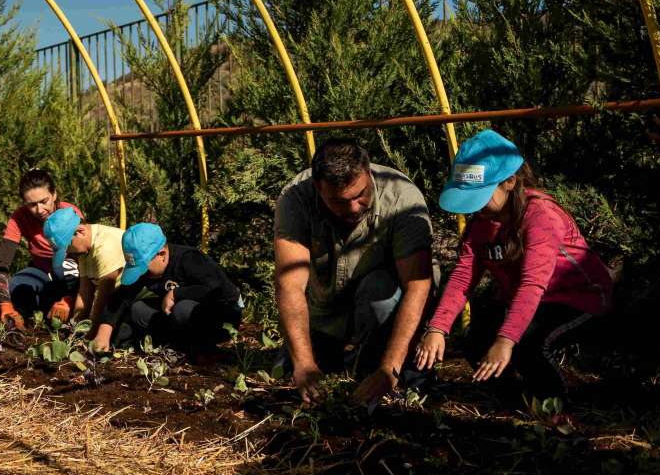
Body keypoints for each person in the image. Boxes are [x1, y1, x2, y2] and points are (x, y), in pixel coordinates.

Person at [414, 130, 613, 397]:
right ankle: (513, 401)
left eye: (482, 195)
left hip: (576, 298)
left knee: (530, 345)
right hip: (524, 299)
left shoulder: (541, 216)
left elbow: (532, 284)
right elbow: (463, 277)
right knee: (476, 341)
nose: (476, 207)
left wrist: (506, 340)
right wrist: (437, 327)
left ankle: (552, 409)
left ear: (509, 181)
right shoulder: (481, 224)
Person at [273, 138, 434, 404]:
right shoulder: (296, 198)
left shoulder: (402, 197)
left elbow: (418, 286)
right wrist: (303, 363)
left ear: (368, 174)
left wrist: (389, 369)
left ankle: (381, 363)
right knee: (291, 371)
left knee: (379, 290)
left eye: (360, 196)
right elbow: (289, 284)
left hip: (383, 310)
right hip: (327, 312)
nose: (352, 208)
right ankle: (342, 356)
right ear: (318, 188)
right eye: (338, 201)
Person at [91, 223, 242, 358]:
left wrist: (176, 294)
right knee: (137, 309)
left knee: (182, 308)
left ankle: (206, 351)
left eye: (144, 269)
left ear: (162, 255)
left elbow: (215, 287)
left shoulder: (189, 259)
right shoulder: (148, 267)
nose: (142, 274)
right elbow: (122, 297)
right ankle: (177, 345)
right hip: (179, 318)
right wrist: (103, 332)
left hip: (223, 316)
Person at [0, 169, 83, 329]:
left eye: (44, 201)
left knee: (63, 272)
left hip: (72, 273)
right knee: (17, 286)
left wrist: (68, 298)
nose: (40, 209)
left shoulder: (70, 213)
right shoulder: (19, 217)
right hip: (41, 271)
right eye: (32, 205)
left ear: (54, 194)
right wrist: (5, 305)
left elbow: (83, 261)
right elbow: (2, 264)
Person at [41, 207, 125, 329]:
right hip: (112, 298)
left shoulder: (105, 247)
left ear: (80, 231)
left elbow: (102, 298)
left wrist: (89, 333)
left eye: (67, 247)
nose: (68, 252)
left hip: (127, 299)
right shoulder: (83, 248)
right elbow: (85, 291)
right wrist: (75, 326)